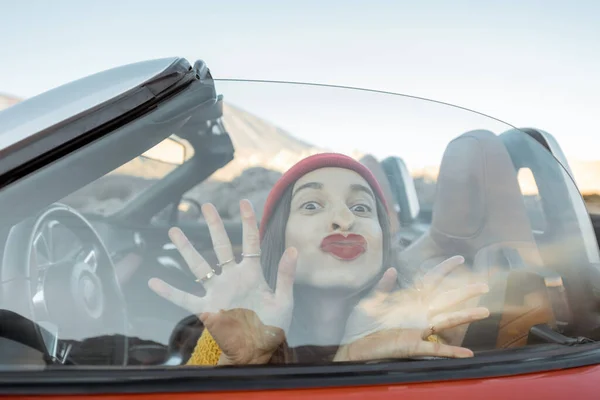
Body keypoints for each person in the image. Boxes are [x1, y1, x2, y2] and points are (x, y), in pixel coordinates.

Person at [148, 153, 490, 366]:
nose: (344, 219)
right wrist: (236, 369)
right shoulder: (231, 332)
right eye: (311, 205)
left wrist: (358, 363)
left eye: (361, 208)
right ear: (278, 239)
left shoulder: (410, 335)